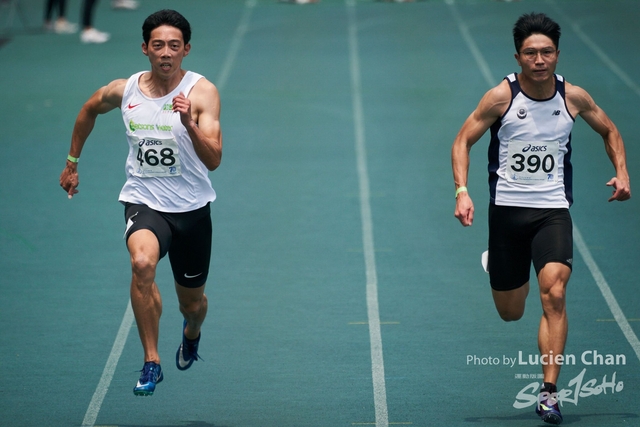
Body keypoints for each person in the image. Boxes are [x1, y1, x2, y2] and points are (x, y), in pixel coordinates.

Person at [451, 12, 630, 425]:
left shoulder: (573, 97)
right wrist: (462, 191)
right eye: (530, 53)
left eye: (546, 52)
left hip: (552, 211)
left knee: (554, 292)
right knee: (511, 311)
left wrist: (622, 172)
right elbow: (463, 140)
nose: (539, 60)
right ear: (518, 57)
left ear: (557, 54)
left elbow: (610, 131)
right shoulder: (501, 98)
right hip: (507, 215)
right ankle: (498, 263)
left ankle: (549, 392)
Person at [59, 9, 222, 396]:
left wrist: (189, 125)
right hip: (144, 200)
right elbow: (88, 109)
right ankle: (152, 360)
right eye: (159, 45)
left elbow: (214, 159)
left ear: (186, 50)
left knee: (192, 304)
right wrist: (72, 162)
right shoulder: (125, 90)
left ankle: (192, 331)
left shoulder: (202, 92)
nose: (166, 53)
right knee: (142, 263)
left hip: (192, 210)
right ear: (145, 49)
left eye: (175, 46)